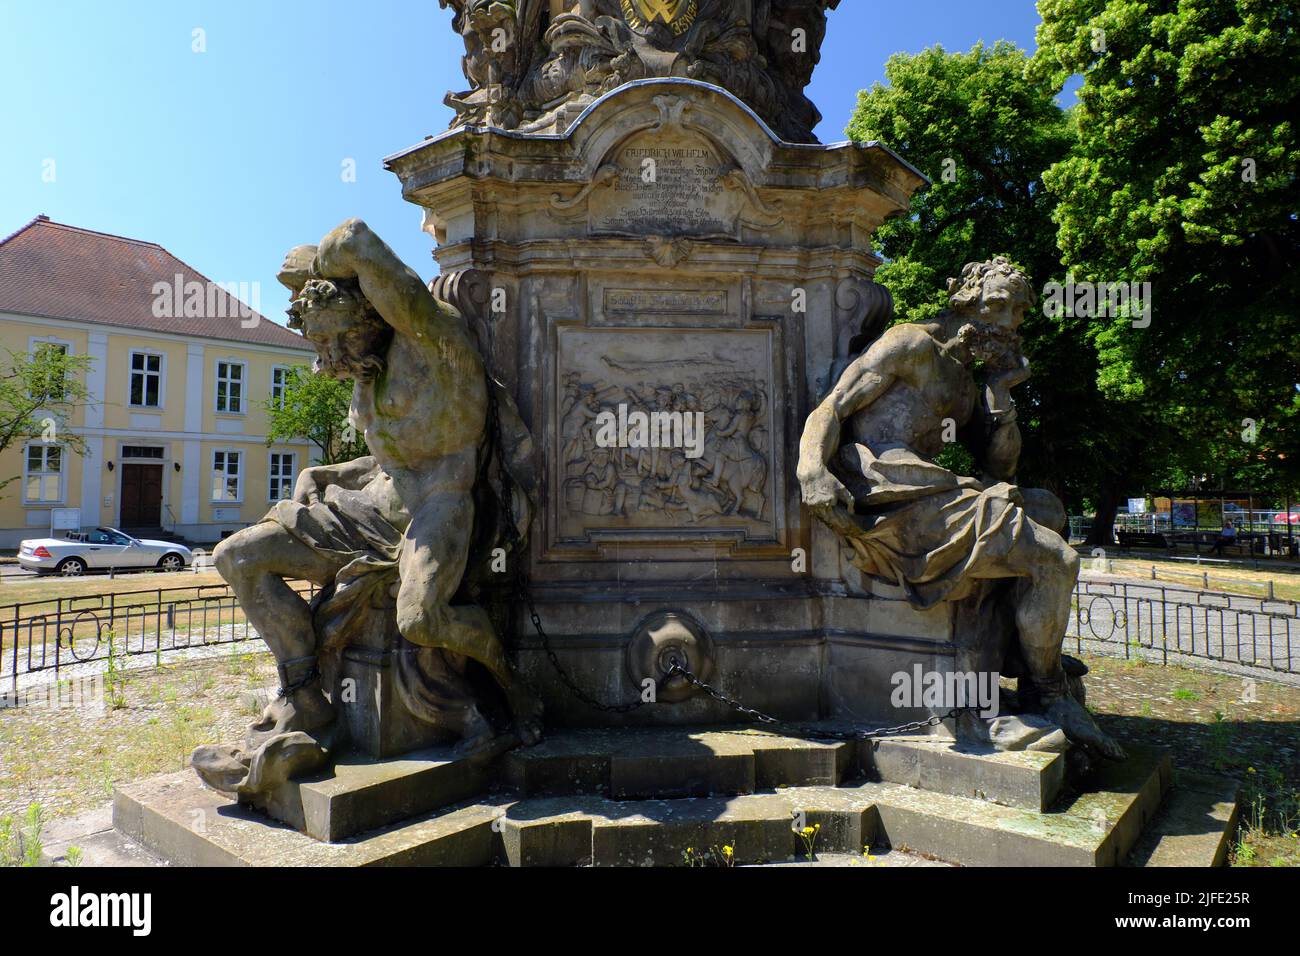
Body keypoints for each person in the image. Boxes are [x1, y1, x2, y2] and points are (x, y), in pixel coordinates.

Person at [798, 257, 1124, 760]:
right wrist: (811, 471)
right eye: (998, 305)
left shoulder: (968, 385)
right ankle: (1050, 691)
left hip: (935, 491)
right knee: (1056, 559)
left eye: (1019, 312)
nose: (1009, 322)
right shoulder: (912, 344)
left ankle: (1013, 661)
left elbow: (1001, 464)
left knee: (1048, 509)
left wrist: (1000, 394)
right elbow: (833, 406)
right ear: (964, 300)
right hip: (888, 494)